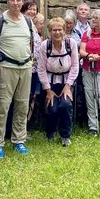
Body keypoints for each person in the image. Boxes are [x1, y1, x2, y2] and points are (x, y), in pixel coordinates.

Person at [0, 0, 34, 158]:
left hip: (25, 68)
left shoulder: (28, 22)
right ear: (7, 1)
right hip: (6, 68)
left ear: (23, 1)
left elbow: (31, 42)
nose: (15, 2)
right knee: (2, 106)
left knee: (22, 105)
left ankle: (19, 140)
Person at [36, 17, 79, 146]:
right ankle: (50, 132)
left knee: (65, 105)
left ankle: (65, 135)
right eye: (54, 30)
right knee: (52, 107)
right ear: (49, 31)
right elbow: (41, 68)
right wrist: (48, 90)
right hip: (50, 81)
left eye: (60, 29)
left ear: (64, 30)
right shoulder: (45, 46)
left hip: (67, 81)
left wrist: (67, 86)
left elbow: (75, 66)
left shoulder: (71, 44)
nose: (57, 32)